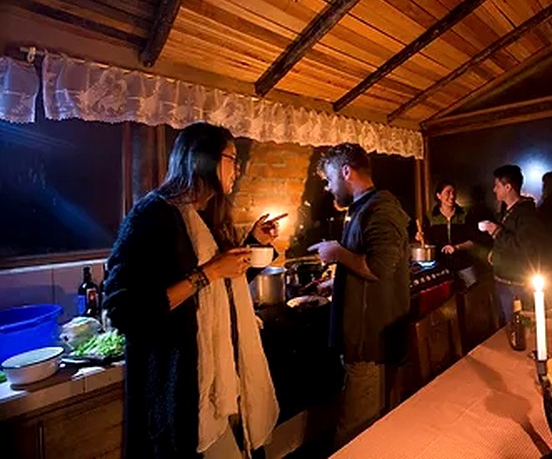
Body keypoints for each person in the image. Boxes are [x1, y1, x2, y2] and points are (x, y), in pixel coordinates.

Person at [103, 122, 279, 459]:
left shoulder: (210, 216)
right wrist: (207, 273)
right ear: (203, 160)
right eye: (232, 158)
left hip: (228, 379)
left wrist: (253, 244)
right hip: (186, 391)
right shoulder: (152, 216)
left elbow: (225, 287)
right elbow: (125, 310)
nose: (238, 169)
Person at [308, 143, 410, 448]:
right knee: (368, 426)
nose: (328, 187)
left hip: (369, 340)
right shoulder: (363, 207)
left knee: (354, 433)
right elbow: (365, 265)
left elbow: (379, 268)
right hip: (364, 335)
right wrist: (337, 284)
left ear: (346, 172)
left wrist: (337, 252)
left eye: (328, 179)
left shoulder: (381, 209)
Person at [480, 164, 543, 324]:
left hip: (516, 283)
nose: (494, 190)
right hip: (502, 279)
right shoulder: (505, 210)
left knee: (518, 327)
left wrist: (496, 231)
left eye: (497, 186)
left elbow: (524, 248)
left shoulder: (526, 214)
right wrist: (494, 254)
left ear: (508, 187)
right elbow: (505, 243)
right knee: (504, 326)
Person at [416, 180, 478, 288]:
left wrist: (457, 247)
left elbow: (473, 241)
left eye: (454, 193)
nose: (452, 196)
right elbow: (427, 242)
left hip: (463, 264)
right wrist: (421, 238)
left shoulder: (465, 215)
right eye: (448, 192)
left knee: (473, 293)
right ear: (439, 196)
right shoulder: (430, 217)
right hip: (440, 266)